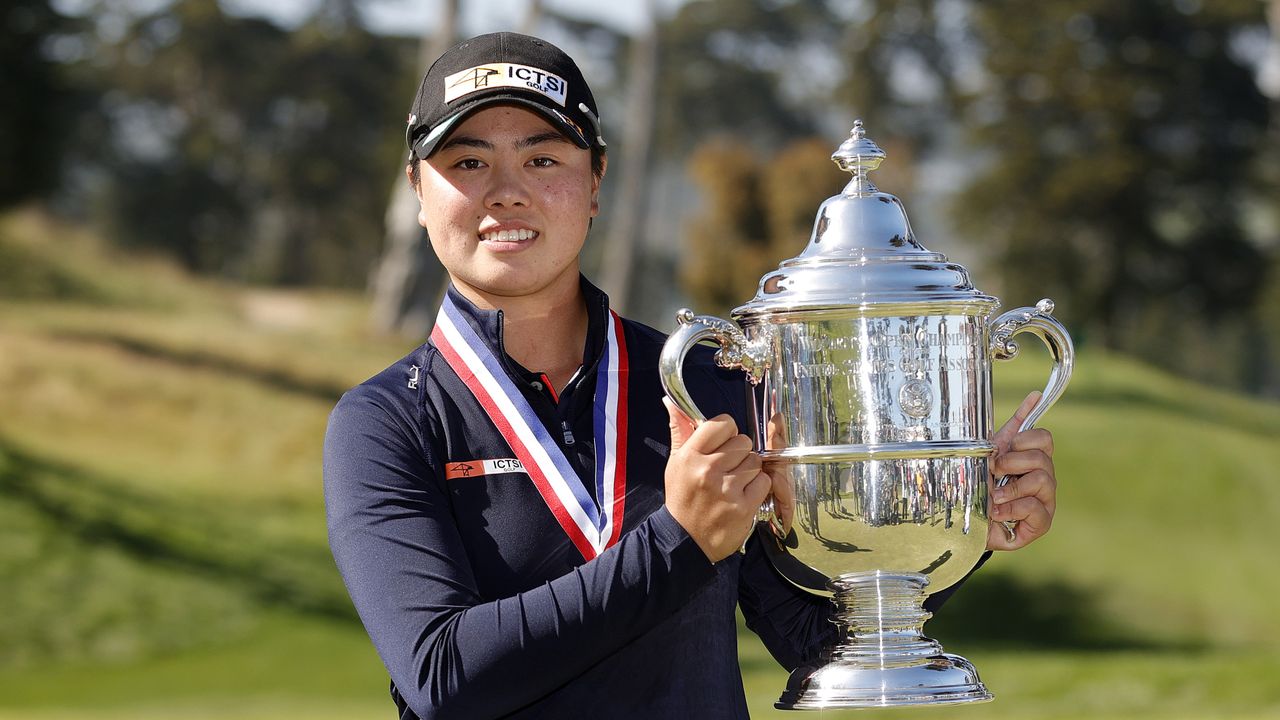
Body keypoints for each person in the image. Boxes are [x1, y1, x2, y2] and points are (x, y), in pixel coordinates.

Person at [323, 31, 1058, 720]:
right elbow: (442, 677)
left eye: (543, 159)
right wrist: (679, 540)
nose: (506, 191)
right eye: (469, 162)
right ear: (419, 190)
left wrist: (963, 531)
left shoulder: (708, 383)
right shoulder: (386, 422)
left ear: (595, 181)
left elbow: (813, 646)